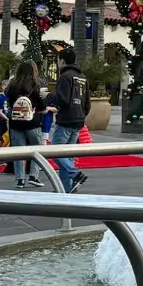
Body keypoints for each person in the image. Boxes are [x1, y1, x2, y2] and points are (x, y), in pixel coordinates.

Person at [50, 47, 91, 193]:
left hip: (66, 120)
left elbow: (62, 99)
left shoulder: (65, 77)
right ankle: (66, 188)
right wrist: (81, 115)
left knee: (54, 151)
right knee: (67, 154)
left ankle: (74, 173)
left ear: (62, 60)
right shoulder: (82, 77)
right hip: (78, 121)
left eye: (58, 59)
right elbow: (87, 102)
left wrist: (48, 97)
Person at [4, 61, 46, 190]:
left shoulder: (12, 85)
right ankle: (34, 175)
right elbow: (42, 107)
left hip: (15, 122)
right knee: (37, 150)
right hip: (32, 122)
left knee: (18, 152)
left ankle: (20, 179)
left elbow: (8, 101)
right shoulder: (36, 85)